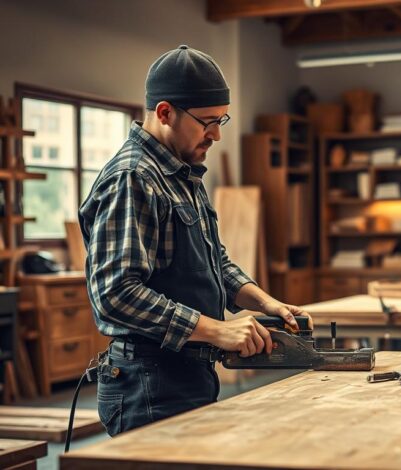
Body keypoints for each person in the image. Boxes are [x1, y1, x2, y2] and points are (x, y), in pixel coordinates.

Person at [79, 45, 313, 436]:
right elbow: (116, 293)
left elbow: (214, 262)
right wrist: (219, 330)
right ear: (165, 113)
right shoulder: (133, 178)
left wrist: (267, 303)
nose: (217, 134)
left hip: (188, 372)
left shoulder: (183, 174)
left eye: (221, 120)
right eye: (207, 122)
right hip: (149, 383)